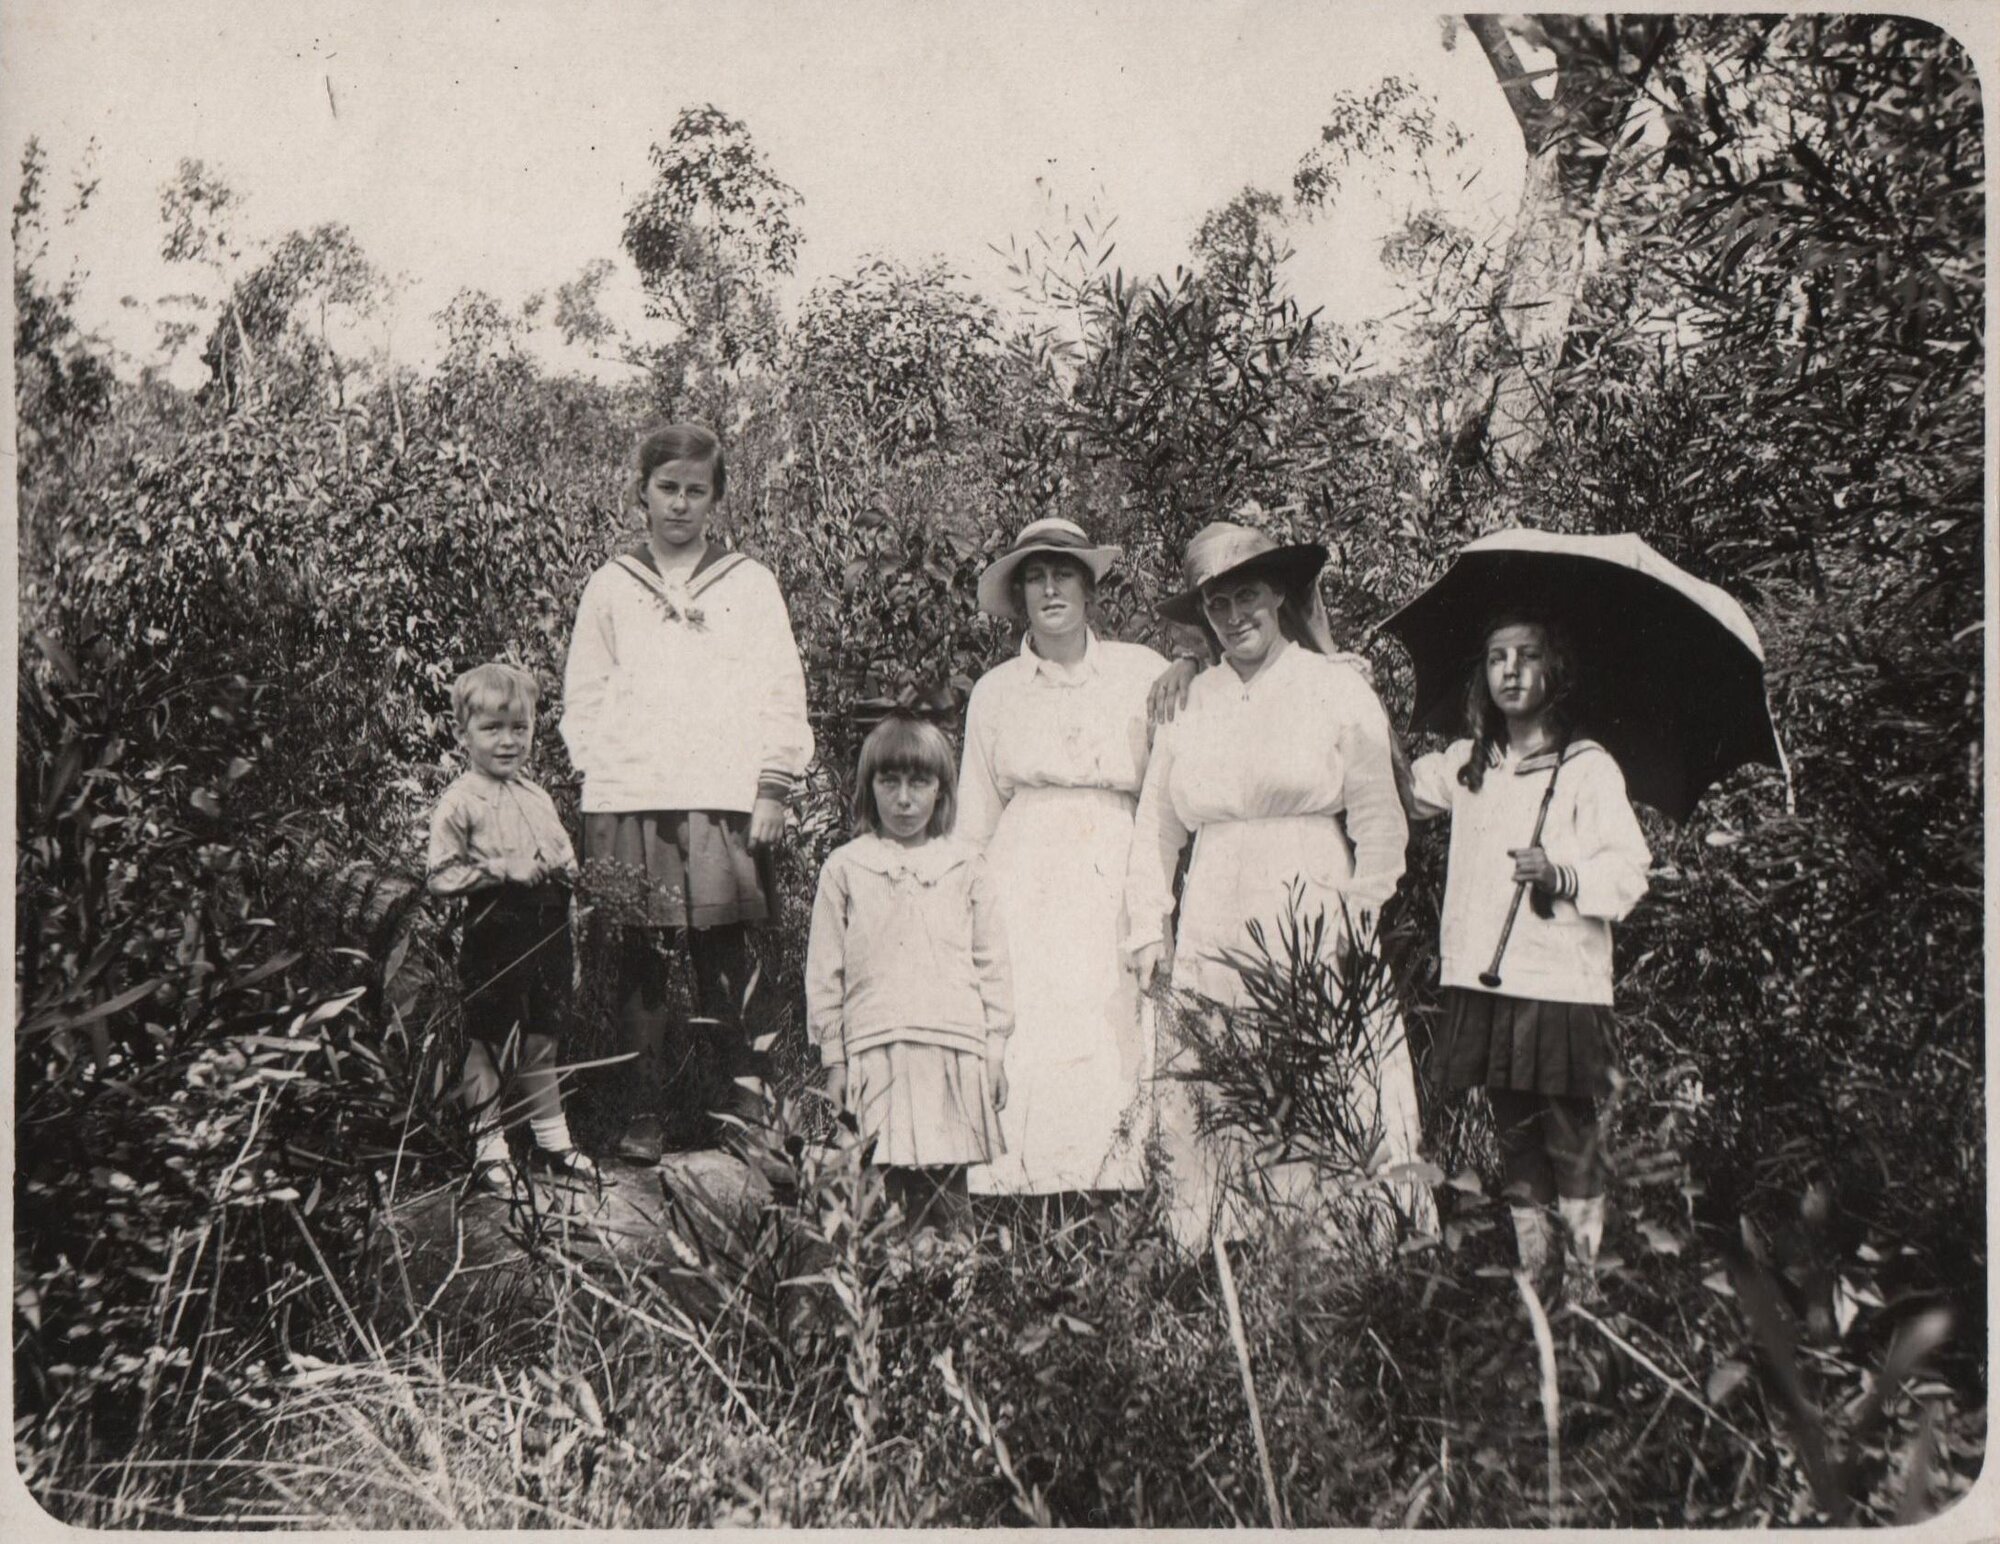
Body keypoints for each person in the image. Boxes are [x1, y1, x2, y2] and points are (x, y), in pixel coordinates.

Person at [1126, 522, 1428, 1249]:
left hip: (1312, 904)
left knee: (1325, 1071)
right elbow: (1156, 829)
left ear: (1280, 595)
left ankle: (1346, 1240)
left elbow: (1380, 822)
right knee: (1221, 1074)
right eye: (1218, 604)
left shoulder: (1336, 687)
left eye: (1248, 597)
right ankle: (1224, 1244)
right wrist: (1148, 927)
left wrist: (1359, 916)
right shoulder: (1189, 703)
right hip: (1217, 911)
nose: (1235, 618)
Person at [561, 423, 814, 1164]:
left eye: (695, 491)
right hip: (631, 795)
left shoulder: (749, 584)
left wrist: (772, 784)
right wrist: (605, 781)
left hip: (722, 794)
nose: (679, 504)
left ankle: (748, 1108)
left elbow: (780, 687)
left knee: (724, 953)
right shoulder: (612, 585)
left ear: (716, 499)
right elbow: (586, 695)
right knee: (638, 954)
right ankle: (642, 1111)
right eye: (666, 488)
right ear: (641, 491)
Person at [1407, 613, 1650, 1300]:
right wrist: (1341, 674)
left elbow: (1631, 870)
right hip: (1486, 978)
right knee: (1513, 1132)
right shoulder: (1468, 763)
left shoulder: (1587, 767)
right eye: (1496, 658)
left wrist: (1562, 875)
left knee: (1567, 1131)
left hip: (1560, 982)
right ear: (1482, 675)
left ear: (1556, 671)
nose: (1510, 670)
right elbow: (1395, 786)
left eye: (1528, 656)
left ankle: (1581, 1285)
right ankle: (1534, 1277)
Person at [958, 517, 1181, 1201]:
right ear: (1020, 595)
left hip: (1115, 861)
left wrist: (1192, 662)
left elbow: (1167, 794)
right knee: (1034, 1022)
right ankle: (1023, 1193)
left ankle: (1120, 1183)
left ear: (1088, 588)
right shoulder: (996, 690)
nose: (1050, 589)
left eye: (1063, 575)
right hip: (1025, 870)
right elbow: (975, 817)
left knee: (1113, 1018)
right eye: (1035, 577)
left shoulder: (1142, 672)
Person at [806, 715, 1013, 1235]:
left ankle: (957, 1297)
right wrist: (835, 1060)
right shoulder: (846, 867)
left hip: (952, 1047)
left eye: (919, 783)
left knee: (948, 1193)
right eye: (888, 782)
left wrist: (994, 1052)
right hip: (878, 1049)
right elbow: (824, 974)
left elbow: (992, 963)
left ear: (941, 789)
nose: (903, 800)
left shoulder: (966, 866)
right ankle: (892, 1297)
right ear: (868, 786)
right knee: (882, 1188)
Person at [427, 662, 596, 1193]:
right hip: (495, 930)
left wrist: (572, 899)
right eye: (492, 729)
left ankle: (553, 1143)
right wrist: (500, 869)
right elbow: (439, 876)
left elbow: (567, 864)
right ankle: (488, 1146)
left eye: (518, 729)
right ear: (463, 734)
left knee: (543, 1038)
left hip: (547, 930)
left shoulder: (537, 797)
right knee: (489, 1041)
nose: (507, 742)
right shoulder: (460, 801)